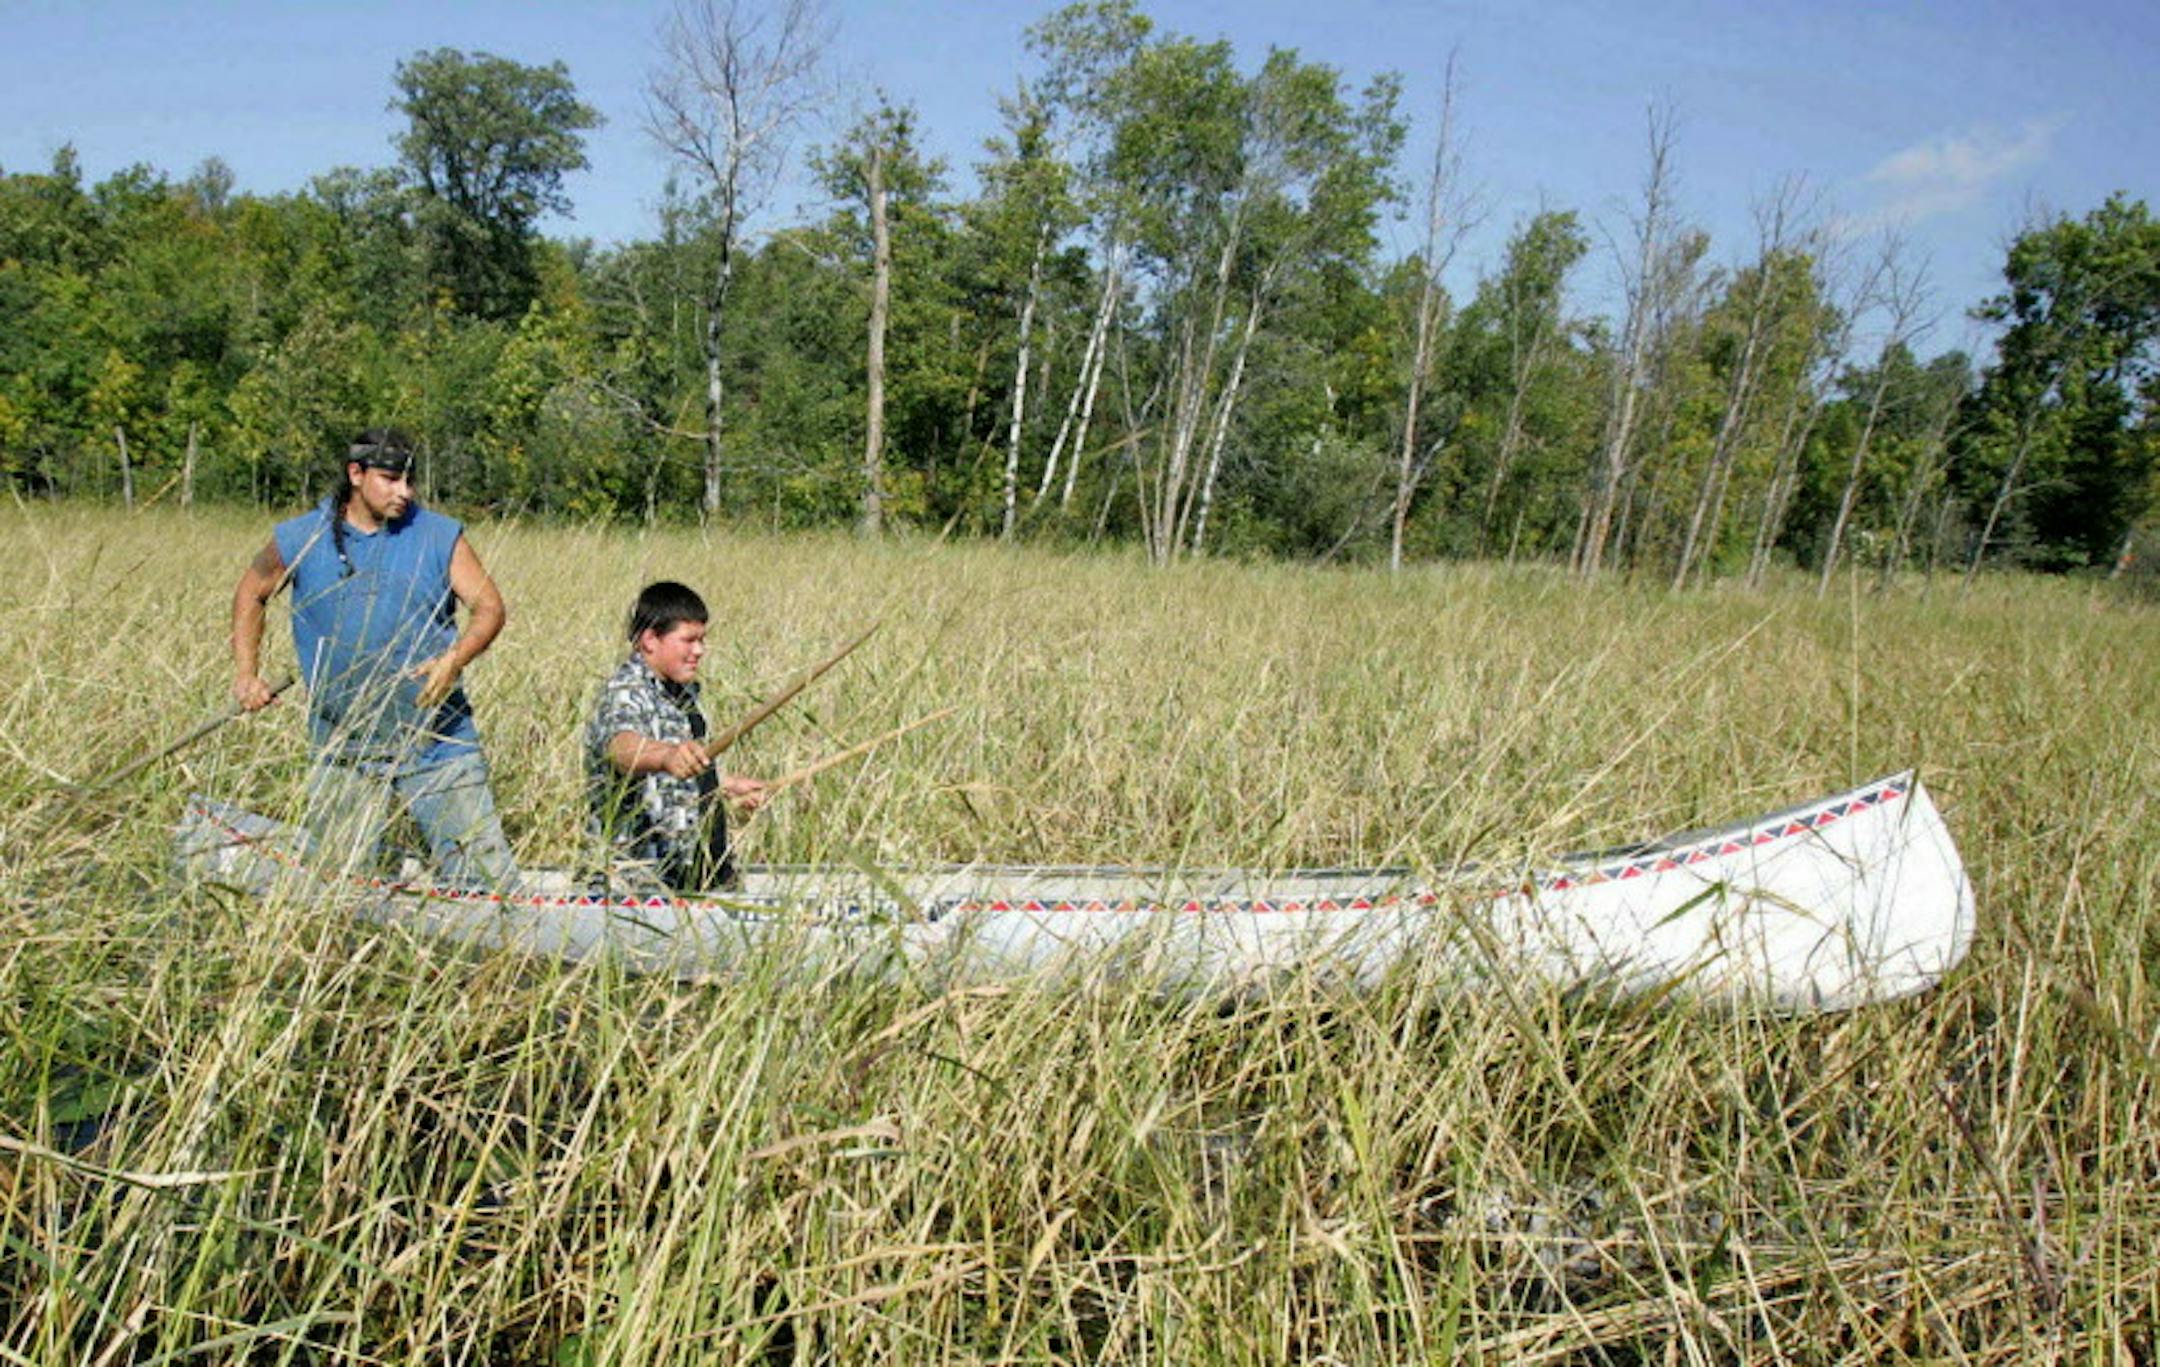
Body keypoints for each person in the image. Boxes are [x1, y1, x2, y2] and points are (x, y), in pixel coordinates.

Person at [231, 428, 517, 888]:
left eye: (410, 480)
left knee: (487, 883)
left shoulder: (439, 535)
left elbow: (490, 608)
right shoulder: (302, 536)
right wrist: (247, 675)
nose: (404, 492)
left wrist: (454, 659)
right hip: (343, 745)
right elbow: (251, 592)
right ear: (356, 474)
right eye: (390, 479)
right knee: (339, 889)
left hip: (436, 741)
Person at [584, 581, 768, 893]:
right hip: (639, 885)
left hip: (694, 873)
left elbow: (673, 776)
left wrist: (723, 784)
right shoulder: (625, 692)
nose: (699, 650)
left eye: (702, 640)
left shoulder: (682, 694)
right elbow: (622, 749)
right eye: (688, 640)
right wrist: (666, 757)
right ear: (650, 639)